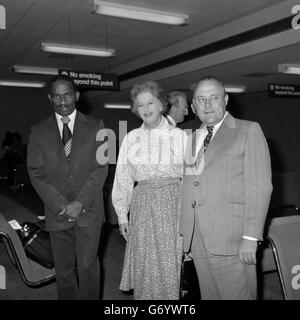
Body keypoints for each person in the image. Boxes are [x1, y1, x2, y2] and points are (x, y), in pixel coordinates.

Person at [180, 76, 272, 300]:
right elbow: (189, 187)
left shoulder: (248, 131)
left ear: (226, 99)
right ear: (194, 106)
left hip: (233, 240)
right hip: (198, 240)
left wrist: (251, 237)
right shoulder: (192, 139)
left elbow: (259, 187)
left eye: (213, 98)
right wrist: (184, 236)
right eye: (201, 100)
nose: (207, 105)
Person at [27, 74, 108, 300]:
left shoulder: (97, 126)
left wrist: (79, 202)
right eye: (57, 95)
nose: (63, 100)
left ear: (77, 96)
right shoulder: (38, 130)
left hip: (89, 210)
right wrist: (62, 205)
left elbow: (100, 169)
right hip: (57, 212)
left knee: (87, 266)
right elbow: (36, 172)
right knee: (63, 272)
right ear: (50, 98)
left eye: (68, 94)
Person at [112, 81, 186, 300]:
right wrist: (122, 216)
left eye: (150, 102)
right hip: (142, 207)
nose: (145, 108)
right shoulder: (131, 138)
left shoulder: (180, 136)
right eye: (140, 104)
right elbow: (123, 177)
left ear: (162, 104)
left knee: (169, 264)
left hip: (172, 206)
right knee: (145, 263)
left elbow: (192, 178)